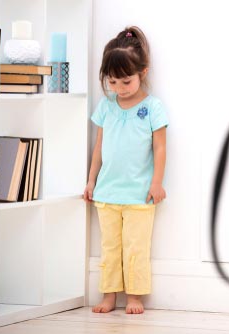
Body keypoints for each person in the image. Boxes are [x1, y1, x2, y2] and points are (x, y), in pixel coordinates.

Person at [83, 26, 168, 315]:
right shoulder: (106, 107)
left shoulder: (153, 108)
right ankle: (109, 295)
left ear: (143, 72)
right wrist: (91, 181)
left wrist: (157, 183)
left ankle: (134, 297)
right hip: (107, 192)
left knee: (135, 249)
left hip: (139, 195)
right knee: (110, 248)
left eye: (126, 81)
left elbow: (160, 148)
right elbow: (99, 148)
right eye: (113, 82)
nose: (119, 88)